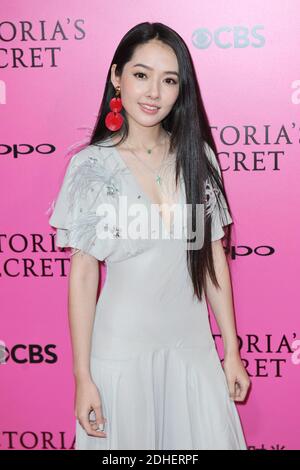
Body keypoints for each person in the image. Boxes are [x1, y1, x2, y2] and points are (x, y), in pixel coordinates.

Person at [49, 22, 251, 450]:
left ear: (182, 90)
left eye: (169, 80)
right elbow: (83, 275)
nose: (153, 92)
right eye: (141, 75)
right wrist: (83, 376)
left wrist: (231, 350)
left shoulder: (199, 157)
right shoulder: (91, 166)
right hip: (120, 353)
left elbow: (212, 260)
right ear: (116, 76)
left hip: (191, 350)